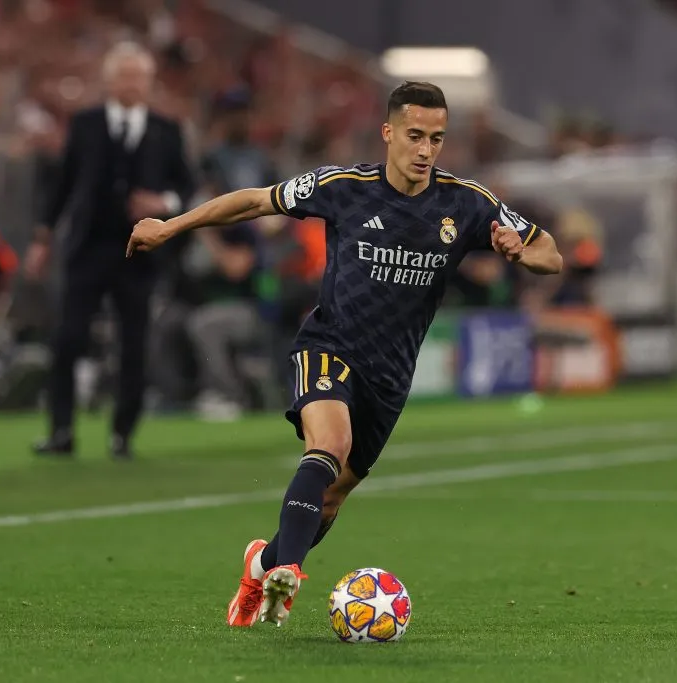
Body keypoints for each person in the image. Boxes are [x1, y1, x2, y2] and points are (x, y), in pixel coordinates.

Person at [126, 81, 563, 627]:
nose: (426, 150)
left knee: (330, 499)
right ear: (388, 133)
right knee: (330, 444)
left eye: (436, 139)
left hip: (390, 375)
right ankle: (287, 572)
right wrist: (172, 226)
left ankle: (260, 565)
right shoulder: (344, 186)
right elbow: (256, 201)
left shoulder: (467, 203)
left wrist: (522, 252)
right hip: (330, 346)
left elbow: (551, 255)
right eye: (414, 136)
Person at [24, 41, 195, 458]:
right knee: (68, 338)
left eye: (139, 76)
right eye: (125, 75)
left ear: (150, 82)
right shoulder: (85, 124)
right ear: (109, 79)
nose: (132, 84)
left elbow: (187, 186)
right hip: (89, 247)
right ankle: (61, 431)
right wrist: (44, 237)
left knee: (134, 343)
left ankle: (123, 433)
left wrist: (164, 204)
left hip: (140, 253)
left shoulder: (167, 129)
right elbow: (63, 183)